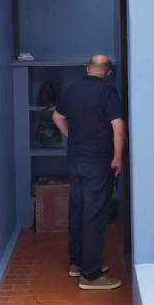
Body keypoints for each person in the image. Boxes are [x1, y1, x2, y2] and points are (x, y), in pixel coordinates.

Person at [52, 55, 126, 290]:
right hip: (98, 162)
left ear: (87, 68)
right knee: (94, 215)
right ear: (108, 73)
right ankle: (91, 275)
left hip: (75, 160)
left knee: (78, 210)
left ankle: (77, 263)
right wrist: (117, 157)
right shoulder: (108, 92)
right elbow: (118, 127)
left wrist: (72, 136)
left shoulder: (72, 89)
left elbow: (57, 116)